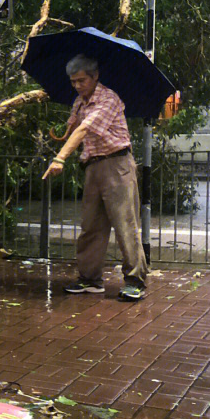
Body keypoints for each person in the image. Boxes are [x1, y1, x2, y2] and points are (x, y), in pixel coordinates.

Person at [42, 54, 146, 301]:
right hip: (92, 166)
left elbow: (85, 129)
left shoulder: (108, 99)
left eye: (81, 80)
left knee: (125, 226)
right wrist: (63, 133)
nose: (77, 86)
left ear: (95, 76)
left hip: (116, 164)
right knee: (91, 227)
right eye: (73, 81)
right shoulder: (80, 101)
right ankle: (89, 280)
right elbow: (73, 127)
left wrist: (60, 158)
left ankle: (135, 281)